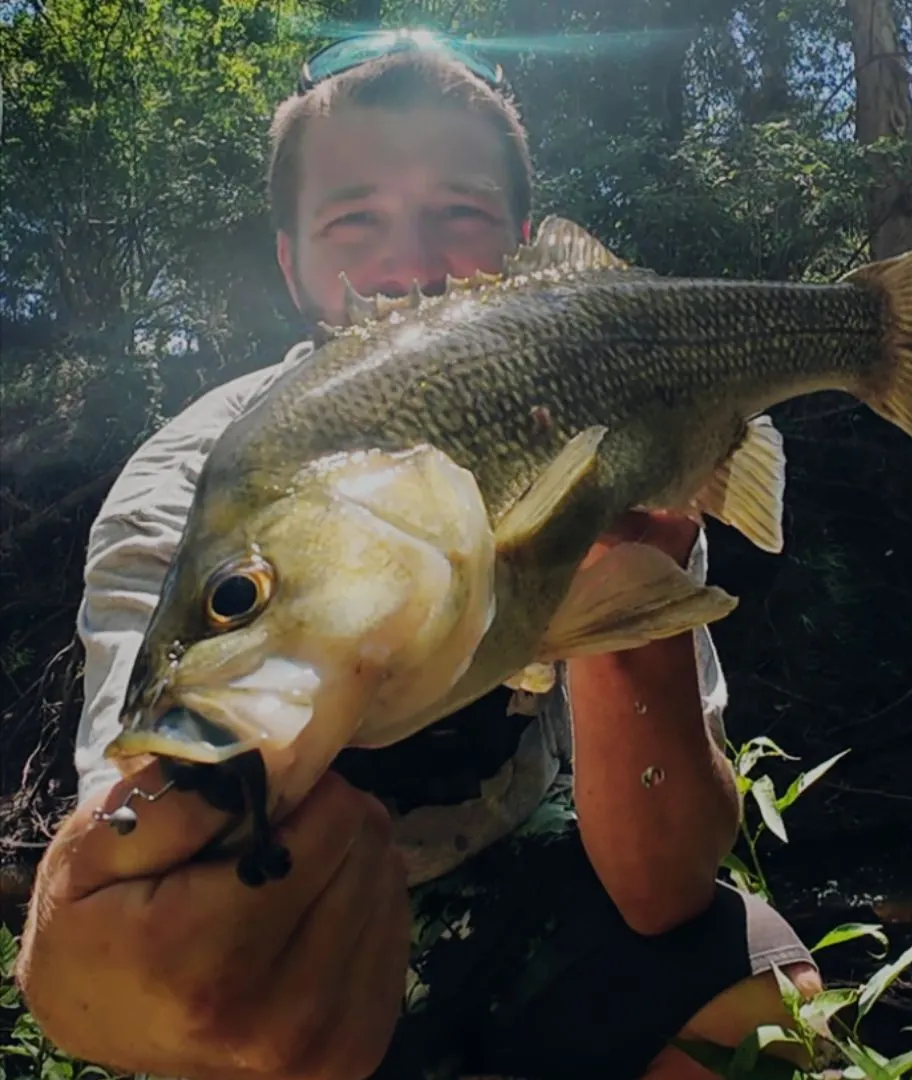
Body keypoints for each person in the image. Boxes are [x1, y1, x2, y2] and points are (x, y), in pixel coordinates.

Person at [15, 32, 821, 1080]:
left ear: (526, 246)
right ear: (291, 261)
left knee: (763, 1014)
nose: (412, 260)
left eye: (461, 213)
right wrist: (106, 979)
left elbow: (658, 888)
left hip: (513, 863)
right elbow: (124, 864)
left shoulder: (604, 430)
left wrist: (628, 587)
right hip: (293, 915)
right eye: (354, 220)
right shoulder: (186, 485)